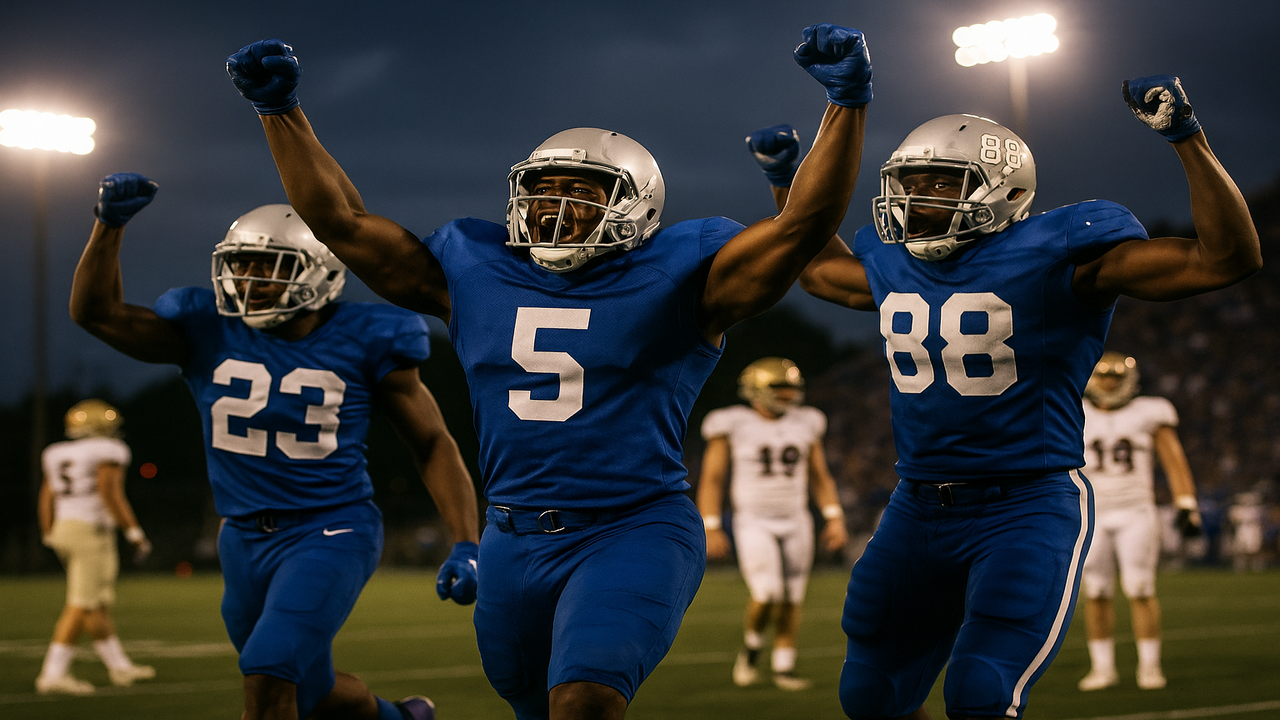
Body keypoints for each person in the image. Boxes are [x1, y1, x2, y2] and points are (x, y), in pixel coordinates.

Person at [225, 21, 871, 720]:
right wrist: (281, 113)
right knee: (532, 705)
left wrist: (847, 102)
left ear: (637, 209)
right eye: (542, 189)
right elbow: (342, 222)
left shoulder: (686, 276)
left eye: (582, 191)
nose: (555, 206)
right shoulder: (473, 269)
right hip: (513, 535)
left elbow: (804, 227)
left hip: (634, 527)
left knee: (585, 701)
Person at [745, 73, 1260, 719]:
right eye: (908, 184)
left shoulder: (1060, 253)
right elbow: (818, 271)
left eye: (940, 184)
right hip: (917, 504)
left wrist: (1187, 136)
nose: (916, 200)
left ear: (1005, 192)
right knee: (870, 695)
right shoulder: (896, 262)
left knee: (982, 692)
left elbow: (1224, 260)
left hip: (1026, 502)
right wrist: (787, 184)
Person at [69, 179, 481, 720]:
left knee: (267, 673)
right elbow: (96, 314)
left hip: (330, 529)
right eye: (241, 265)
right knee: (308, 690)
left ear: (320, 271)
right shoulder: (206, 331)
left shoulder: (368, 337)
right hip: (240, 536)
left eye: (269, 266)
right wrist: (108, 227)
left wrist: (465, 540)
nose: (249, 279)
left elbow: (432, 442)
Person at [696, 357, 848, 691]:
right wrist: (710, 524)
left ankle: (784, 666)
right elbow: (713, 478)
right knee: (767, 592)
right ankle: (751, 649)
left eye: (791, 387)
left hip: (796, 518)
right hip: (753, 519)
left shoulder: (807, 421)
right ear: (755, 389)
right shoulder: (731, 422)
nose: (786, 394)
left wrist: (834, 516)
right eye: (778, 387)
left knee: (793, 595)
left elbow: (820, 476)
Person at [1077, 351, 1202, 692]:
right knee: (1097, 591)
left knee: (1141, 588)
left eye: (1116, 377)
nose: (1109, 383)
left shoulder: (1148, 412)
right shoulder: (1078, 412)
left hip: (1136, 511)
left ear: (1128, 380)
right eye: (1104, 376)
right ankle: (1102, 668)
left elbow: (1173, 459)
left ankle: (1149, 665)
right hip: (1093, 512)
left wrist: (1186, 503)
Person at [35, 399, 156, 695]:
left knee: (97, 602)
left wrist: (48, 531)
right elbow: (109, 492)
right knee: (82, 603)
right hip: (89, 530)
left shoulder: (56, 452)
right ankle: (53, 673)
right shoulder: (110, 450)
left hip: (64, 528)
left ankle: (119, 667)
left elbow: (46, 494)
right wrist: (134, 532)